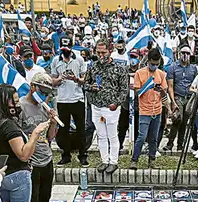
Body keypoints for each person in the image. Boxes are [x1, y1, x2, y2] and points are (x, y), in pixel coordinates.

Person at [20, 73, 61, 202]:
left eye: (47, 93)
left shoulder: (44, 106)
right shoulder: (21, 106)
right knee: (32, 200)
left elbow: (51, 136)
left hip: (47, 157)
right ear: (32, 87)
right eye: (42, 91)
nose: (44, 96)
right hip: (31, 161)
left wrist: (53, 122)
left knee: (45, 196)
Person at [85, 40, 129, 175]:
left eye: (103, 52)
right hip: (96, 106)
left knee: (112, 135)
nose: (100, 55)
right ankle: (104, 160)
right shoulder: (93, 67)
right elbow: (85, 84)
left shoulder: (119, 68)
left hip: (111, 108)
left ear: (110, 50)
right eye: (98, 52)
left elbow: (124, 90)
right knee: (101, 135)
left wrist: (116, 103)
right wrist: (90, 87)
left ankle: (113, 161)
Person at [130, 47, 170, 169]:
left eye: (157, 64)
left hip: (157, 110)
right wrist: (146, 87)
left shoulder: (161, 74)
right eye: (153, 64)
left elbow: (165, 92)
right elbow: (136, 91)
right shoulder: (139, 73)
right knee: (141, 137)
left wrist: (161, 90)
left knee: (154, 137)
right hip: (144, 110)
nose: (155, 66)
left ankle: (152, 160)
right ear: (148, 61)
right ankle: (134, 160)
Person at [50, 42, 88, 165]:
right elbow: (53, 82)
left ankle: (83, 155)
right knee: (63, 129)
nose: (65, 52)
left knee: (81, 128)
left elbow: (84, 80)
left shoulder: (79, 59)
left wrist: (75, 79)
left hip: (77, 99)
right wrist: (60, 78)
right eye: (63, 49)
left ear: (71, 49)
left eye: (67, 49)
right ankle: (66, 155)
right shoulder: (56, 60)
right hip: (62, 99)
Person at [164, 46, 198, 153]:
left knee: (184, 122)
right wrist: (173, 101)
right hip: (178, 96)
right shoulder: (173, 67)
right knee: (177, 119)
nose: (185, 55)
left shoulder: (193, 68)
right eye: (183, 53)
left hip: (189, 97)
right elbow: (170, 86)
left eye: (187, 53)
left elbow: (196, 83)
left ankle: (180, 144)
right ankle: (170, 143)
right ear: (179, 53)